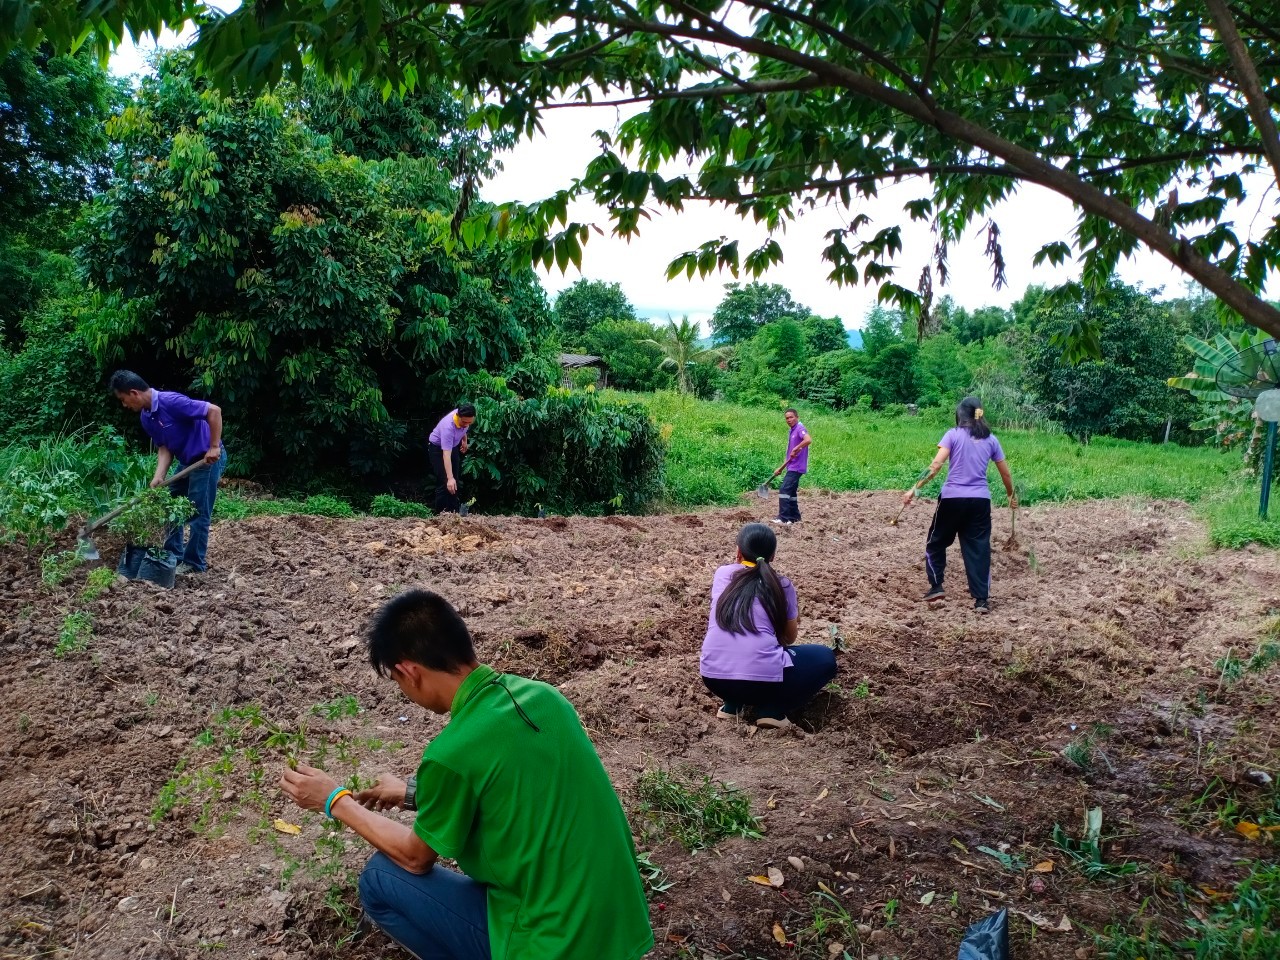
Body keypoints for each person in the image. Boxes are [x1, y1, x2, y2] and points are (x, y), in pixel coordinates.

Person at [278, 589, 653, 960]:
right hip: (618, 926)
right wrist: (413, 792)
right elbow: (510, 790)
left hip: (554, 944)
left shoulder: (451, 753)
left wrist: (334, 801)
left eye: (396, 681)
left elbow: (415, 857)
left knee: (380, 878)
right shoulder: (544, 697)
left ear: (409, 671)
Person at [699, 523, 837, 730]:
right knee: (825, 658)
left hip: (714, 678)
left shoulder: (722, 574)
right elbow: (789, 639)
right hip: (761, 682)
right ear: (773, 556)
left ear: (738, 551)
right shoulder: (782, 584)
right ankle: (772, 710)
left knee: (738, 650)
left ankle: (732, 705)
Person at [901, 396, 1016, 614]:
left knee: (936, 542)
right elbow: (1005, 473)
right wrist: (1011, 496)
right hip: (980, 501)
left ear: (960, 414)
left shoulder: (952, 435)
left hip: (952, 499)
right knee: (979, 549)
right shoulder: (992, 439)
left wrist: (914, 489)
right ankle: (981, 600)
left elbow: (935, 465)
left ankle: (936, 586)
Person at [110, 370, 226, 575]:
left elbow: (214, 411)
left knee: (198, 512)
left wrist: (214, 446)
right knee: (171, 507)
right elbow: (164, 447)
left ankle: (194, 564)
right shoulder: (147, 417)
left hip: (206, 460)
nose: (124, 405)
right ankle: (174, 556)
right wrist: (159, 475)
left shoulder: (170, 402)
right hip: (187, 462)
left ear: (134, 393)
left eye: (123, 399)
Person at [428, 403, 476, 514]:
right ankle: (440, 516)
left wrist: (464, 440)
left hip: (452, 446)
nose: (467, 424)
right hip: (437, 449)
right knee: (445, 482)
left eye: (470, 422)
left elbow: (463, 429)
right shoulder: (448, 427)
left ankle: (454, 513)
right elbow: (446, 455)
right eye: (464, 422)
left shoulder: (465, 417)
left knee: (455, 482)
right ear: (458, 416)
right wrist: (449, 478)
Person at [774, 407, 811, 525]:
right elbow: (791, 455)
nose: (789, 420)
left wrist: (797, 448)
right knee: (792, 492)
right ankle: (795, 517)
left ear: (797, 417)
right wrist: (781, 468)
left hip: (797, 467)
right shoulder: (792, 430)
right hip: (792, 465)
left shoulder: (800, 428)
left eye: (791, 417)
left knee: (784, 489)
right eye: (787, 418)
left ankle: (784, 518)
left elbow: (808, 440)